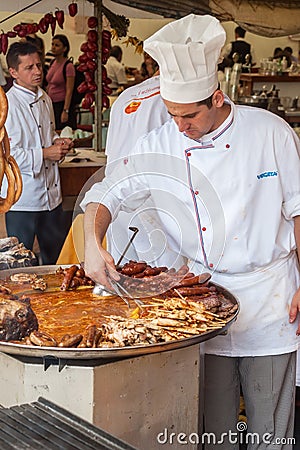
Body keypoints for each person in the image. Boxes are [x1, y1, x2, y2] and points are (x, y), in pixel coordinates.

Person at [81, 13, 300, 449]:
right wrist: (92, 242)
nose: (180, 126)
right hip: (201, 303)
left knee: (269, 432)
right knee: (213, 429)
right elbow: (105, 194)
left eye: (189, 115)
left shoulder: (271, 133)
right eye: (171, 114)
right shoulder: (161, 142)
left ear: (217, 98)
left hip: (271, 299)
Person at [105, 72, 185, 268]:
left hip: (115, 199)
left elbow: (110, 153)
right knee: (165, 279)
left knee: (120, 275)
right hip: (152, 205)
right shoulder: (176, 98)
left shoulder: (126, 96)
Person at [3, 41, 73, 265]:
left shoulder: (44, 97)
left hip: (52, 196)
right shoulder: (7, 105)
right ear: (13, 72)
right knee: (21, 263)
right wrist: (46, 153)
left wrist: (57, 142)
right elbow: (8, 156)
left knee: (56, 262)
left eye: (39, 65)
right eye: (29, 67)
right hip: (23, 198)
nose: (37, 71)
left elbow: (47, 133)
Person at [46, 34, 76, 130]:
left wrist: (65, 110)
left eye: (57, 45)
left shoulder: (68, 66)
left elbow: (69, 90)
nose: (53, 47)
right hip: (51, 104)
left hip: (62, 104)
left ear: (64, 48)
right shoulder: (52, 62)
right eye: (52, 44)